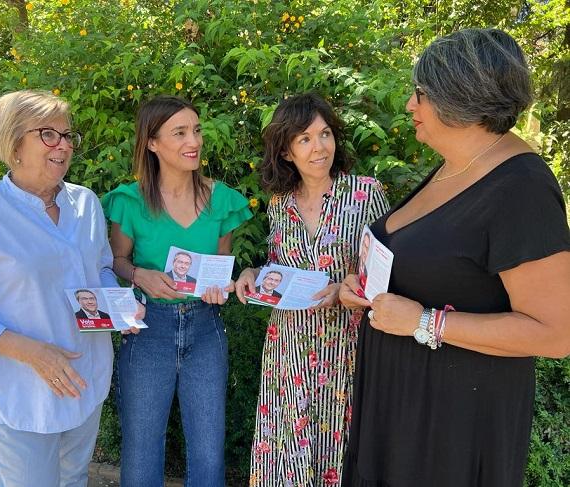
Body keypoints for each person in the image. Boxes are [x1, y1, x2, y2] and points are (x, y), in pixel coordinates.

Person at [339, 28, 570, 487]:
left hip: (451, 427)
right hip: (399, 410)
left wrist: (425, 321)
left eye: (420, 94)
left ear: (457, 99)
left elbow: (556, 334)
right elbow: (436, 263)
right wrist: (361, 284)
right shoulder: (455, 164)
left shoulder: (521, 189)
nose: (410, 106)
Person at [0, 90, 140, 486]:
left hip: (85, 379)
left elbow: (101, 270)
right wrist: (31, 352)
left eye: (67, 135)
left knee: (74, 479)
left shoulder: (86, 204)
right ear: (14, 143)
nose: (63, 145)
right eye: (48, 134)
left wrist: (119, 305)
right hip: (21, 389)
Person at [235, 92, 389, 486]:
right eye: (304, 139)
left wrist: (345, 286)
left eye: (324, 134)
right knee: (286, 444)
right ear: (286, 152)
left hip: (345, 345)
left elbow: (385, 273)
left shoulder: (365, 192)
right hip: (288, 346)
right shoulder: (278, 203)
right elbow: (278, 267)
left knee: (339, 443)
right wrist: (254, 273)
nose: (319, 147)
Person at [102, 95, 252, 486]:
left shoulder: (223, 200)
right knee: (141, 448)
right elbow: (116, 261)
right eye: (180, 132)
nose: (195, 141)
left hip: (205, 330)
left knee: (208, 452)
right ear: (152, 143)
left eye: (197, 130)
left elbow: (221, 269)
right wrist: (139, 275)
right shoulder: (129, 201)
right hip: (149, 328)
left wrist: (222, 288)